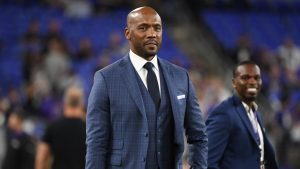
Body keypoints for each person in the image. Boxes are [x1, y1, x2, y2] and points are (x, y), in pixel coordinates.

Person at [86, 6, 207, 169]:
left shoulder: (180, 77)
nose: (152, 34)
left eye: (157, 28)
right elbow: (96, 143)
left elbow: (198, 136)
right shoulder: (106, 78)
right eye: (143, 28)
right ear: (127, 33)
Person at [206, 60, 278, 169]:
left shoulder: (256, 114)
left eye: (256, 78)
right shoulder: (224, 113)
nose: (252, 82)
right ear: (234, 83)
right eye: (245, 78)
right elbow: (207, 161)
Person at [35, 86, 86, 169]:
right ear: (82, 104)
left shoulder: (53, 127)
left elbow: (41, 158)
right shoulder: (88, 129)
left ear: (64, 103)